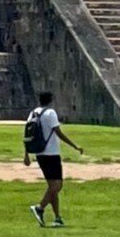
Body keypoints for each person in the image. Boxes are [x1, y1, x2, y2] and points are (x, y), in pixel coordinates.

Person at [24, 91, 83, 228]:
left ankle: (57, 217)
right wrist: (75, 146)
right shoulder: (50, 113)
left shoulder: (33, 113)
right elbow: (58, 132)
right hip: (51, 153)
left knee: (52, 187)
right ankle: (39, 208)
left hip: (39, 153)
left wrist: (26, 154)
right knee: (57, 185)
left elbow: (28, 134)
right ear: (51, 100)